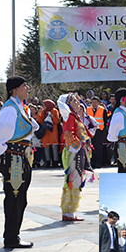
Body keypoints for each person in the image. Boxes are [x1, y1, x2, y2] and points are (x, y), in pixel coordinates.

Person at [0, 76, 39, 249]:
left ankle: (13, 235)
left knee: (20, 198)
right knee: (14, 198)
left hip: (21, 156)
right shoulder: (10, 109)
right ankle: (11, 238)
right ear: (15, 89)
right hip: (14, 157)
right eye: (25, 85)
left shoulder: (19, 107)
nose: (28, 88)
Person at [58, 93, 92, 221]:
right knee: (73, 180)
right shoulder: (70, 116)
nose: (79, 103)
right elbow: (68, 133)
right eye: (76, 101)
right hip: (74, 151)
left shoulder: (74, 116)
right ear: (69, 104)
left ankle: (69, 211)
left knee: (75, 180)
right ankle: (68, 212)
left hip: (76, 150)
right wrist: (78, 145)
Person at [37, 99, 61, 168]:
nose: (43, 106)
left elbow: (56, 121)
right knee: (46, 147)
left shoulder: (54, 111)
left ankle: (55, 161)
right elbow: (40, 121)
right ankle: (47, 161)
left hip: (53, 132)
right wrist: (39, 114)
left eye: (44, 105)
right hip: (45, 132)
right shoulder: (43, 111)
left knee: (54, 147)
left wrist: (52, 116)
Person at [86, 96, 109, 168]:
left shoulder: (103, 109)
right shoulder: (88, 109)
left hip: (99, 130)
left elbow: (105, 121)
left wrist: (104, 130)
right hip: (91, 130)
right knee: (91, 146)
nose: (94, 104)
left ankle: (98, 162)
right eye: (92, 102)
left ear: (99, 102)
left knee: (99, 147)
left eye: (95, 102)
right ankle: (92, 162)